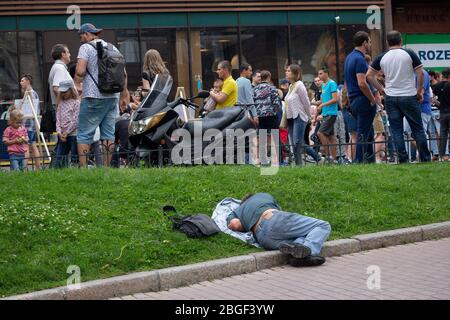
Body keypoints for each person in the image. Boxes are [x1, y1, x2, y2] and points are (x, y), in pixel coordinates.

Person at [367, 30, 431, 163]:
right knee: (418, 129)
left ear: (387, 42)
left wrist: (382, 90)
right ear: (400, 40)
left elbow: (369, 76)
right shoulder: (409, 53)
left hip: (391, 96)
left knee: (396, 130)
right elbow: (421, 74)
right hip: (409, 95)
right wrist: (420, 91)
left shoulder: (381, 57)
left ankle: (402, 159)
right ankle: (425, 158)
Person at [74, 23, 129, 167]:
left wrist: (78, 82)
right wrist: (124, 95)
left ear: (87, 34)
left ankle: (84, 169)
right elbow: (123, 74)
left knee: (85, 133)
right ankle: (105, 168)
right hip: (112, 97)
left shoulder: (85, 48)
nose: (80, 40)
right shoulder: (112, 47)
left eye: (81, 36)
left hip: (93, 96)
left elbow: (80, 71)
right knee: (108, 134)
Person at [227, 193, 331, 267]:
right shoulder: (263, 195)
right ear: (252, 196)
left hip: (263, 239)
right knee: (323, 226)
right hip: (273, 219)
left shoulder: (237, 211)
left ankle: (298, 256)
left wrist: (245, 221)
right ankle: (310, 253)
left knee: (299, 238)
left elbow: (235, 225)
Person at [344, 31, 377, 164]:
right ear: (364, 43)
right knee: (363, 133)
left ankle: (370, 160)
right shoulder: (359, 59)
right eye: (369, 42)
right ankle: (359, 161)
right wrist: (372, 99)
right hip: (362, 99)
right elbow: (362, 83)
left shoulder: (349, 58)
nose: (369, 44)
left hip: (353, 100)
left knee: (368, 132)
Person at [283, 64, 324, 164]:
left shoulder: (299, 85)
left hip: (300, 117)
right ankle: (299, 165)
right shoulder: (291, 86)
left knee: (298, 142)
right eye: (286, 70)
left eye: (288, 71)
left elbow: (306, 102)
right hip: (291, 117)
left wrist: (309, 116)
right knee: (294, 143)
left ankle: (317, 158)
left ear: (295, 73)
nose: (286, 72)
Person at [253, 70, 282, 165]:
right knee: (275, 137)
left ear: (260, 78)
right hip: (271, 115)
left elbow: (252, 103)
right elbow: (277, 103)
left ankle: (263, 160)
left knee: (261, 138)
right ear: (269, 78)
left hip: (260, 116)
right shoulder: (272, 88)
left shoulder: (255, 89)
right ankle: (277, 161)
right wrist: (276, 112)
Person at [52, 80, 80, 168]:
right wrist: (59, 132)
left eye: (65, 91)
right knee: (59, 155)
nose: (64, 94)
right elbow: (58, 119)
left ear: (71, 90)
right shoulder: (60, 103)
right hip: (62, 135)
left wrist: (67, 132)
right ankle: (59, 170)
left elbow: (75, 120)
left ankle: (74, 170)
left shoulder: (76, 103)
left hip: (73, 133)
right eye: (62, 92)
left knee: (74, 156)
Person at [19, 74, 42, 170]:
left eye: (23, 81)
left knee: (26, 146)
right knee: (33, 145)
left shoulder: (30, 93)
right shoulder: (33, 93)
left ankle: (23, 168)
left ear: (28, 81)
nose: (21, 83)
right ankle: (38, 167)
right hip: (32, 124)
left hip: (28, 124)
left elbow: (28, 110)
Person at [316, 68, 339, 162]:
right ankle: (334, 159)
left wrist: (322, 105)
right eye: (318, 74)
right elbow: (324, 100)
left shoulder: (332, 83)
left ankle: (328, 156)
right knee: (331, 137)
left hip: (331, 113)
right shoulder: (324, 85)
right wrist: (313, 103)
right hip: (326, 113)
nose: (319, 76)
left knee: (320, 133)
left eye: (321, 73)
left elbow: (335, 99)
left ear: (326, 73)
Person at [432, 68, 450, 161]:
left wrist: (440, 104)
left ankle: (442, 155)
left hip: (442, 113)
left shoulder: (438, 86)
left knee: (443, 135)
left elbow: (433, 99)